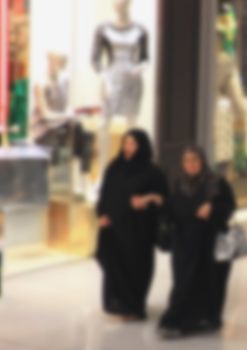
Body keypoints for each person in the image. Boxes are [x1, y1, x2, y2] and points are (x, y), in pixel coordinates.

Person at [159, 146, 237, 338]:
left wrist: (212, 206)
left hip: (209, 243)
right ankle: (175, 321)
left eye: (195, 160)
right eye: (186, 160)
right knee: (183, 281)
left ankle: (207, 318)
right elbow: (167, 210)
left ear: (202, 161)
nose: (191, 164)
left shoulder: (216, 182)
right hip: (183, 242)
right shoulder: (175, 182)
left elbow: (230, 205)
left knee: (210, 282)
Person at [95, 129, 168, 320]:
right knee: (116, 268)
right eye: (126, 143)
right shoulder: (115, 167)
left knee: (137, 268)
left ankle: (135, 306)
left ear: (142, 146)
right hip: (115, 228)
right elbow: (105, 194)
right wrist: (102, 214)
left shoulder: (153, 173)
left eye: (133, 144)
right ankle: (120, 305)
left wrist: (148, 199)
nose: (128, 147)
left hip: (139, 231)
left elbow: (164, 200)